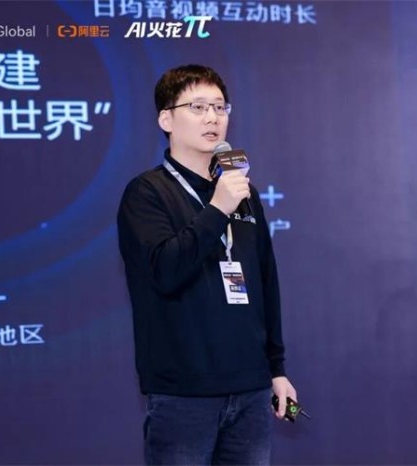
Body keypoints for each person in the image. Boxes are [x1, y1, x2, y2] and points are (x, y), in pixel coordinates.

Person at [117, 64, 297, 465]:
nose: (213, 117)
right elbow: (165, 271)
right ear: (166, 119)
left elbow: (265, 281)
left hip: (251, 388)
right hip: (184, 393)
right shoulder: (147, 193)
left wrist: (276, 368)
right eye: (198, 107)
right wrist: (217, 209)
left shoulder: (242, 192)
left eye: (219, 107)